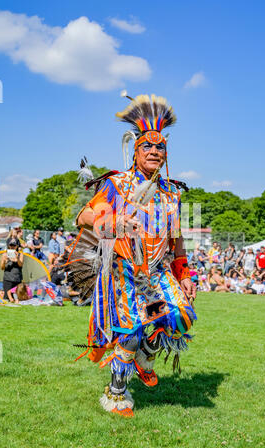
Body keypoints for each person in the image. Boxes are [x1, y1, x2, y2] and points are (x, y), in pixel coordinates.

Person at [68, 93, 197, 418]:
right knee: (131, 332)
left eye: (160, 148)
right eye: (147, 147)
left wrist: (185, 274)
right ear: (135, 151)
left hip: (157, 272)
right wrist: (110, 220)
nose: (154, 151)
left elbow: (177, 241)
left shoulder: (171, 193)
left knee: (179, 316)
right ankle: (116, 393)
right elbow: (84, 216)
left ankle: (146, 357)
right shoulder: (116, 184)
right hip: (123, 272)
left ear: (166, 154)